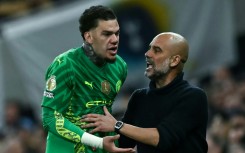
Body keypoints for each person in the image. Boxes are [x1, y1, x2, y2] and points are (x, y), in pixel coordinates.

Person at [81, 32, 209, 153]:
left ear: (174, 60)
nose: (147, 54)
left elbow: (163, 138)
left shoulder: (193, 96)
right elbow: (122, 143)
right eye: (149, 48)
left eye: (157, 50)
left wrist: (117, 124)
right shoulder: (139, 98)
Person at [41, 5, 135, 153]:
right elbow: (50, 118)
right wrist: (96, 141)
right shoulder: (65, 65)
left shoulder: (120, 67)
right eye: (107, 34)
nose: (115, 39)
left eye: (117, 33)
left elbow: (103, 112)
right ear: (88, 37)